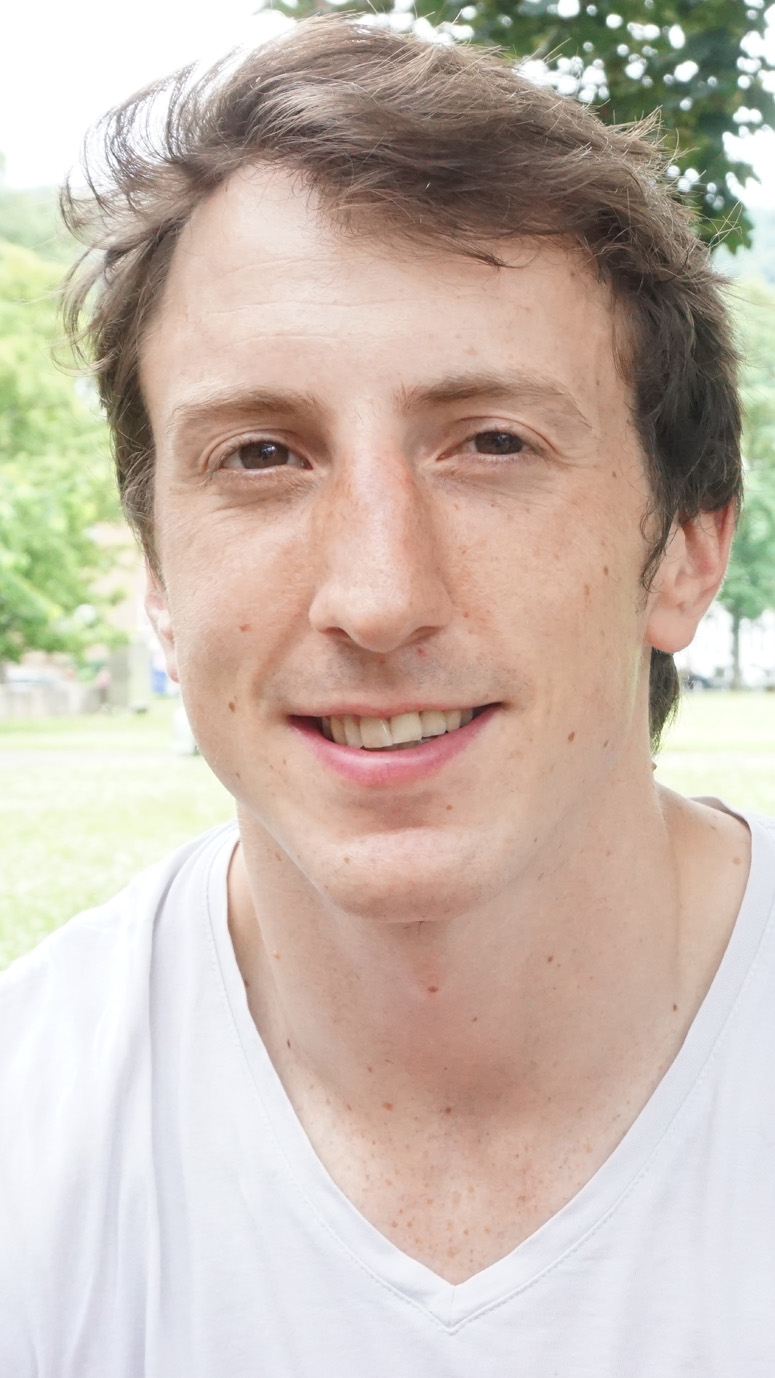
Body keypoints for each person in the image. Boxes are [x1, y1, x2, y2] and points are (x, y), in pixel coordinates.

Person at [1, 18, 772, 1376]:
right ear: (160, 575)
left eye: (492, 443)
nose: (376, 595)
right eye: (261, 454)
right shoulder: (30, 1139)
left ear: (687, 551)